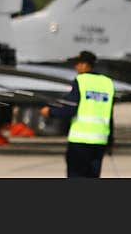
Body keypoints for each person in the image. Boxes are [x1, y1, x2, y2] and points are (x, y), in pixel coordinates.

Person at [40, 50, 114, 178]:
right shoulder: (107, 83)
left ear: (85, 65)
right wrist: (110, 141)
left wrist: (50, 111)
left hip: (80, 141)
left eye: (78, 63)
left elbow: (70, 109)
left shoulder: (81, 81)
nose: (76, 67)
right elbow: (110, 115)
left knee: (76, 175)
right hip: (100, 141)